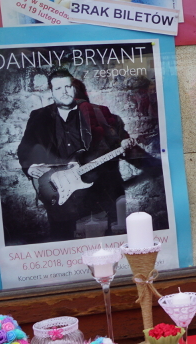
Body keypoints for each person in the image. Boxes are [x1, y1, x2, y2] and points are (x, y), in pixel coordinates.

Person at [17, 69, 156, 242]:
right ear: (51, 91)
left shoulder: (99, 112)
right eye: (58, 88)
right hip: (61, 194)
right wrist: (30, 167)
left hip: (100, 192)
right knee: (64, 242)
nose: (64, 91)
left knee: (108, 242)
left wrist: (150, 163)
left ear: (74, 88)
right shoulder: (39, 116)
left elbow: (120, 142)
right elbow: (26, 148)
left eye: (68, 86)